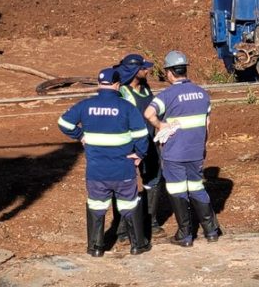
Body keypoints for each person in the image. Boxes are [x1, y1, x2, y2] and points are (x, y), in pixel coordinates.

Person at [57, 68, 151, 257]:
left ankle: (96, 247)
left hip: (96, 171)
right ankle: (137, 244)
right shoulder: (126, 107)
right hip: (123, 169)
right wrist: (140, 154)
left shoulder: (85, 105)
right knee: (129, 204)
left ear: (99, 84)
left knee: (97, 205)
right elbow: (142, 135)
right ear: (117, 85)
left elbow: (63, 123)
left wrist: (80, 135)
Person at [144, 50, 221, 247]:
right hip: (195, 151)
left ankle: (185, 234)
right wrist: (202, 145)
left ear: (169, 72)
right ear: (185, 70)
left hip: (174, 152)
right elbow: (207, 124)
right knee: (196, 186)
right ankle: (211, 230)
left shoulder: (167, 95)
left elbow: (148, 113)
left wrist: (160, 126)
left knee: (177, 190)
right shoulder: (202, 93)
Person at [113, 53, 164, 241]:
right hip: (129, 147)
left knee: (154, 180)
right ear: (134, 71)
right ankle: (122, 230)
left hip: (150, 143)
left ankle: (151, 221)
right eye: (143, 68)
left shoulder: (145, 88)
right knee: (124, 186)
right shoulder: (121, 92)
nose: (147, 70)